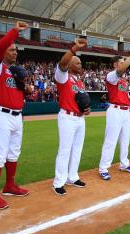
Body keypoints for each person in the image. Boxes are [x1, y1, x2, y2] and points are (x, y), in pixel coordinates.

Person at [0, 21, 30, 210]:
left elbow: (18, 94)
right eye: (12, 50)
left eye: (16, 50)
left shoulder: (14, 72)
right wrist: (14, 32)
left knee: (13, 153)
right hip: (0, 115)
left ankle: (9, 185)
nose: (15, 52)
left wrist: (25, 89)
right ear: (4, 52)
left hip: (17, 116)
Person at [52, 38, 90, 195]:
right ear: (70, 64)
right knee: (65, 149)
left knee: (77, 149)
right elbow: (62, 63)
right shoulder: (63, 76)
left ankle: (72, 177)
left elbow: (81, 102)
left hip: (80, 118)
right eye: (77, 63)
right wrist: (74, 49)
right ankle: (58, 182)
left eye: (81, 63)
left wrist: (86, 110)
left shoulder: (80, 82)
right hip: (67, 117)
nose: (80, 65)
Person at [98, 50, 130, 180]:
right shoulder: (111, 76)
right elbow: (121, 70)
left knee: (125, 140)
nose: (124, 65)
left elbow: (127, 99)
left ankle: (124, 164)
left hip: (124, 112)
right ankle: (103, 167)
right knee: (110, 141)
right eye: (122, 62)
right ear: (115, 65)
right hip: (115, 110)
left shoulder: (123, 81)